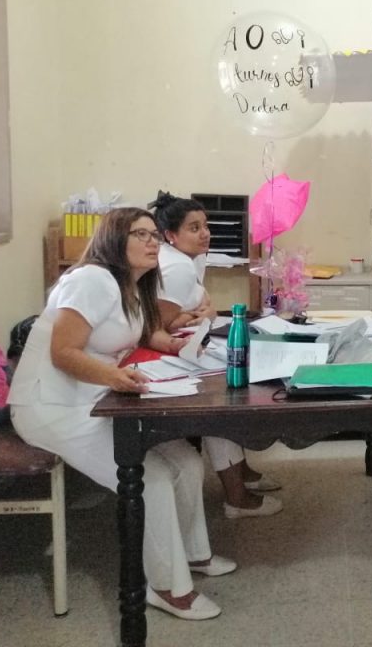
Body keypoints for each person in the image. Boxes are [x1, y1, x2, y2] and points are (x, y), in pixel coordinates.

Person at [8, 207, 234, 621]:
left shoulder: (132, 284)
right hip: (52, 406)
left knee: (186, 459)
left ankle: (193, 554)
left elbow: (141, 332)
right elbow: (63, 352)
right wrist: (115, 377)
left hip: (95, 396)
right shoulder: (91, 280)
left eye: (154, 235)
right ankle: (166, 588)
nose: (152, 243)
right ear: (115, 240)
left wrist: (180, 342)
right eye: (140, 234)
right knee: (152, 478)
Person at [149, 191, 282, 519]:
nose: (205, 233)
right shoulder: (176, 266)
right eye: (194, 228)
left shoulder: (188, 258)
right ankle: (236, 497)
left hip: (187, 341)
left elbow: (201, 303)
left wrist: (204, 314)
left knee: (236, 364)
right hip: (163, 354)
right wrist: (200, 315)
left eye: (205, 225)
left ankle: (241, 470)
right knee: (222, 397)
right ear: (170, 235)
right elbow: (159, 325)